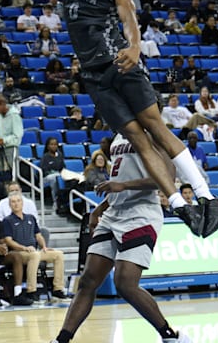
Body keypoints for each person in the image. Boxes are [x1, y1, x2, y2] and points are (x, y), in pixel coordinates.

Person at [43, 0, 218, 238]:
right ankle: (179, 205)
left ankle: (207, 194)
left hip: (119, 63)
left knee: (156, 129)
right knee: (137, 139)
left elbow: (128, 15)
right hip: (93, 75)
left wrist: (136, 46)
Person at [53, 132, 190, 343]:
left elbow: (167, 180)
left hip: (141, 214)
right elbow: (119, 183)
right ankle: (61, 340)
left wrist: (124, 186)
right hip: (114, 212)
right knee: (88, 280)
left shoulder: (155, 134)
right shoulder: (119, 136)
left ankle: (170, 336)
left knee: (125, 283)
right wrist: (99, 209)